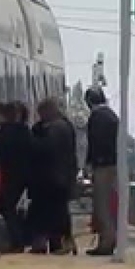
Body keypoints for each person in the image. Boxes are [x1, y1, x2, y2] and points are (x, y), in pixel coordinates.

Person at [27, 98, 78, 255]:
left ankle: (58, 242)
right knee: (56, 212)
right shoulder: (64, 126)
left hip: (53, 178)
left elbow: (46, 149)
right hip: (58, 177)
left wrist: (32, 140)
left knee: (52, 212)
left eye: (41, 112)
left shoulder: (57, 128)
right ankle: (58, 242)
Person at [0, 101, 34, 252]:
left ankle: (17, 240)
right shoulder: (24, 130)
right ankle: (18, 239)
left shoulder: (8, 131)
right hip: (21, 174)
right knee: (7, 205)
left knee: (5, 205)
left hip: (13, 174)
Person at [83, 87, 119, 256]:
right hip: (114, 164)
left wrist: (90, 163)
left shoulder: (97, 117)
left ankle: (106, 242)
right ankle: (110, 238)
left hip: (103, 165)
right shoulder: (112, 115)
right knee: (110, 204)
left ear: (89, 101)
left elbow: (95, 142)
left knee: (102, 205)